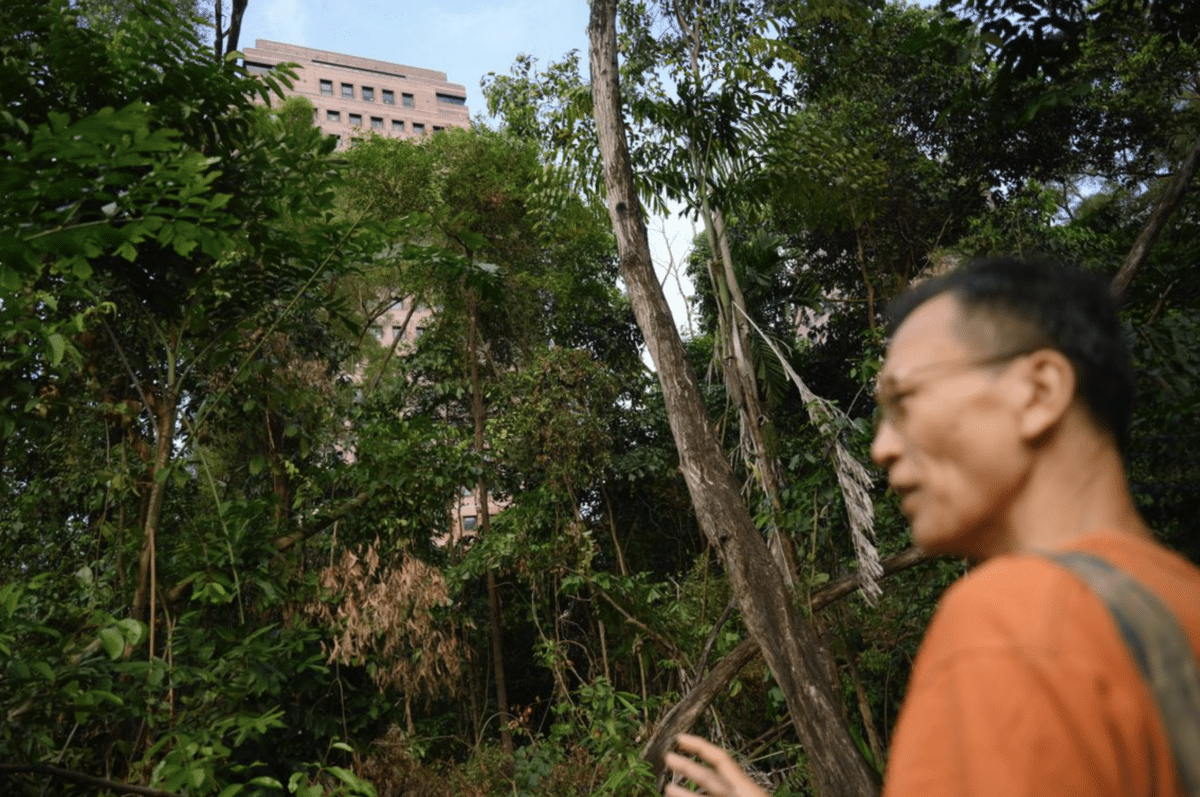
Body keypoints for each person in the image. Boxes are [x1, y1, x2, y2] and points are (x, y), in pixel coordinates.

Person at [663, 257, 1200, 797]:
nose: (882, 448)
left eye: (905, 400)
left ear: (1038, 391)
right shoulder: (1178, 601)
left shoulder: (1012, 617)